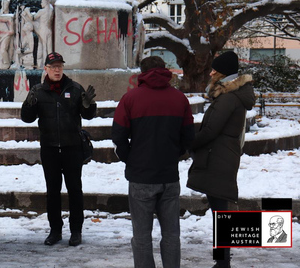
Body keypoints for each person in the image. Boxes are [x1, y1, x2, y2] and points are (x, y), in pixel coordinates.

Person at [112, 56, 195, 268]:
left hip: (140, 176)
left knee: (141, 236)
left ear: (142, 72)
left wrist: (130, 158)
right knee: (171, 235)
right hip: (168, 175)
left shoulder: (130, 99)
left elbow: (118, 136)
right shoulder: (179, 99)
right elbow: (188, 137)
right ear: (164, 71)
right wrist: (174, 155)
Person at [186, 51, 255, 268]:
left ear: (223, 73)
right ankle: (222, 260)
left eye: (215, 69)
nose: (211, 72)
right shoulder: (229, 95)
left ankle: (223, 262)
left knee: (220, 210)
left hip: (218, 157)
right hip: (222, 156)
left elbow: (210, 130)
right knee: (220, 209)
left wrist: (190, 143)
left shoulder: (227, 98)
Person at [21, 52, 97, 246]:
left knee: (75, 190)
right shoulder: (38, 91)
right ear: (45, 69)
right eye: (53, 67)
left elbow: (88, 116)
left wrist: (89, 105)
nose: (57, 70)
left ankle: (76, 231)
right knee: (52, 191)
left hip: (72, 148)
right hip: (50, 149)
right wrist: (29, 105)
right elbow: (27, 118)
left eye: (60, 66)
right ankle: (55, 230)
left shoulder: (74, 88)